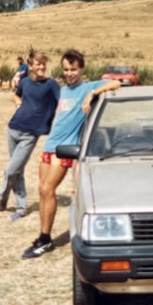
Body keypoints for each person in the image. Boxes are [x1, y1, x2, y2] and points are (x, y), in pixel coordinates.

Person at [22, 49, 121, 259]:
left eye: (73, 69)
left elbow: (116, 84)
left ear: (81, 69)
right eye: (66, 69)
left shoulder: (88, 87)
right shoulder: (62, 90)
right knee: (42, 190)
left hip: (65, 148)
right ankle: (43, 234)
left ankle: (44, 239)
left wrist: (93, 94)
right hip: (50, 145)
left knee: (48, 189)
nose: (70, 73)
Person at [0, 49, 60, 221]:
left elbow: (62, 102)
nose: (42, 67)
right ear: (30, 66)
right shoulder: (24, 83)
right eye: (38, 64)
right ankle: (21, 207)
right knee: (18, 170)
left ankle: (2, 196)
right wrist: (19, 106)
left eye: (44, 64)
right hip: (13, 128)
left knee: (11, 170)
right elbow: (16, 96)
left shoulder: (51, 84)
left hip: (30, 134)